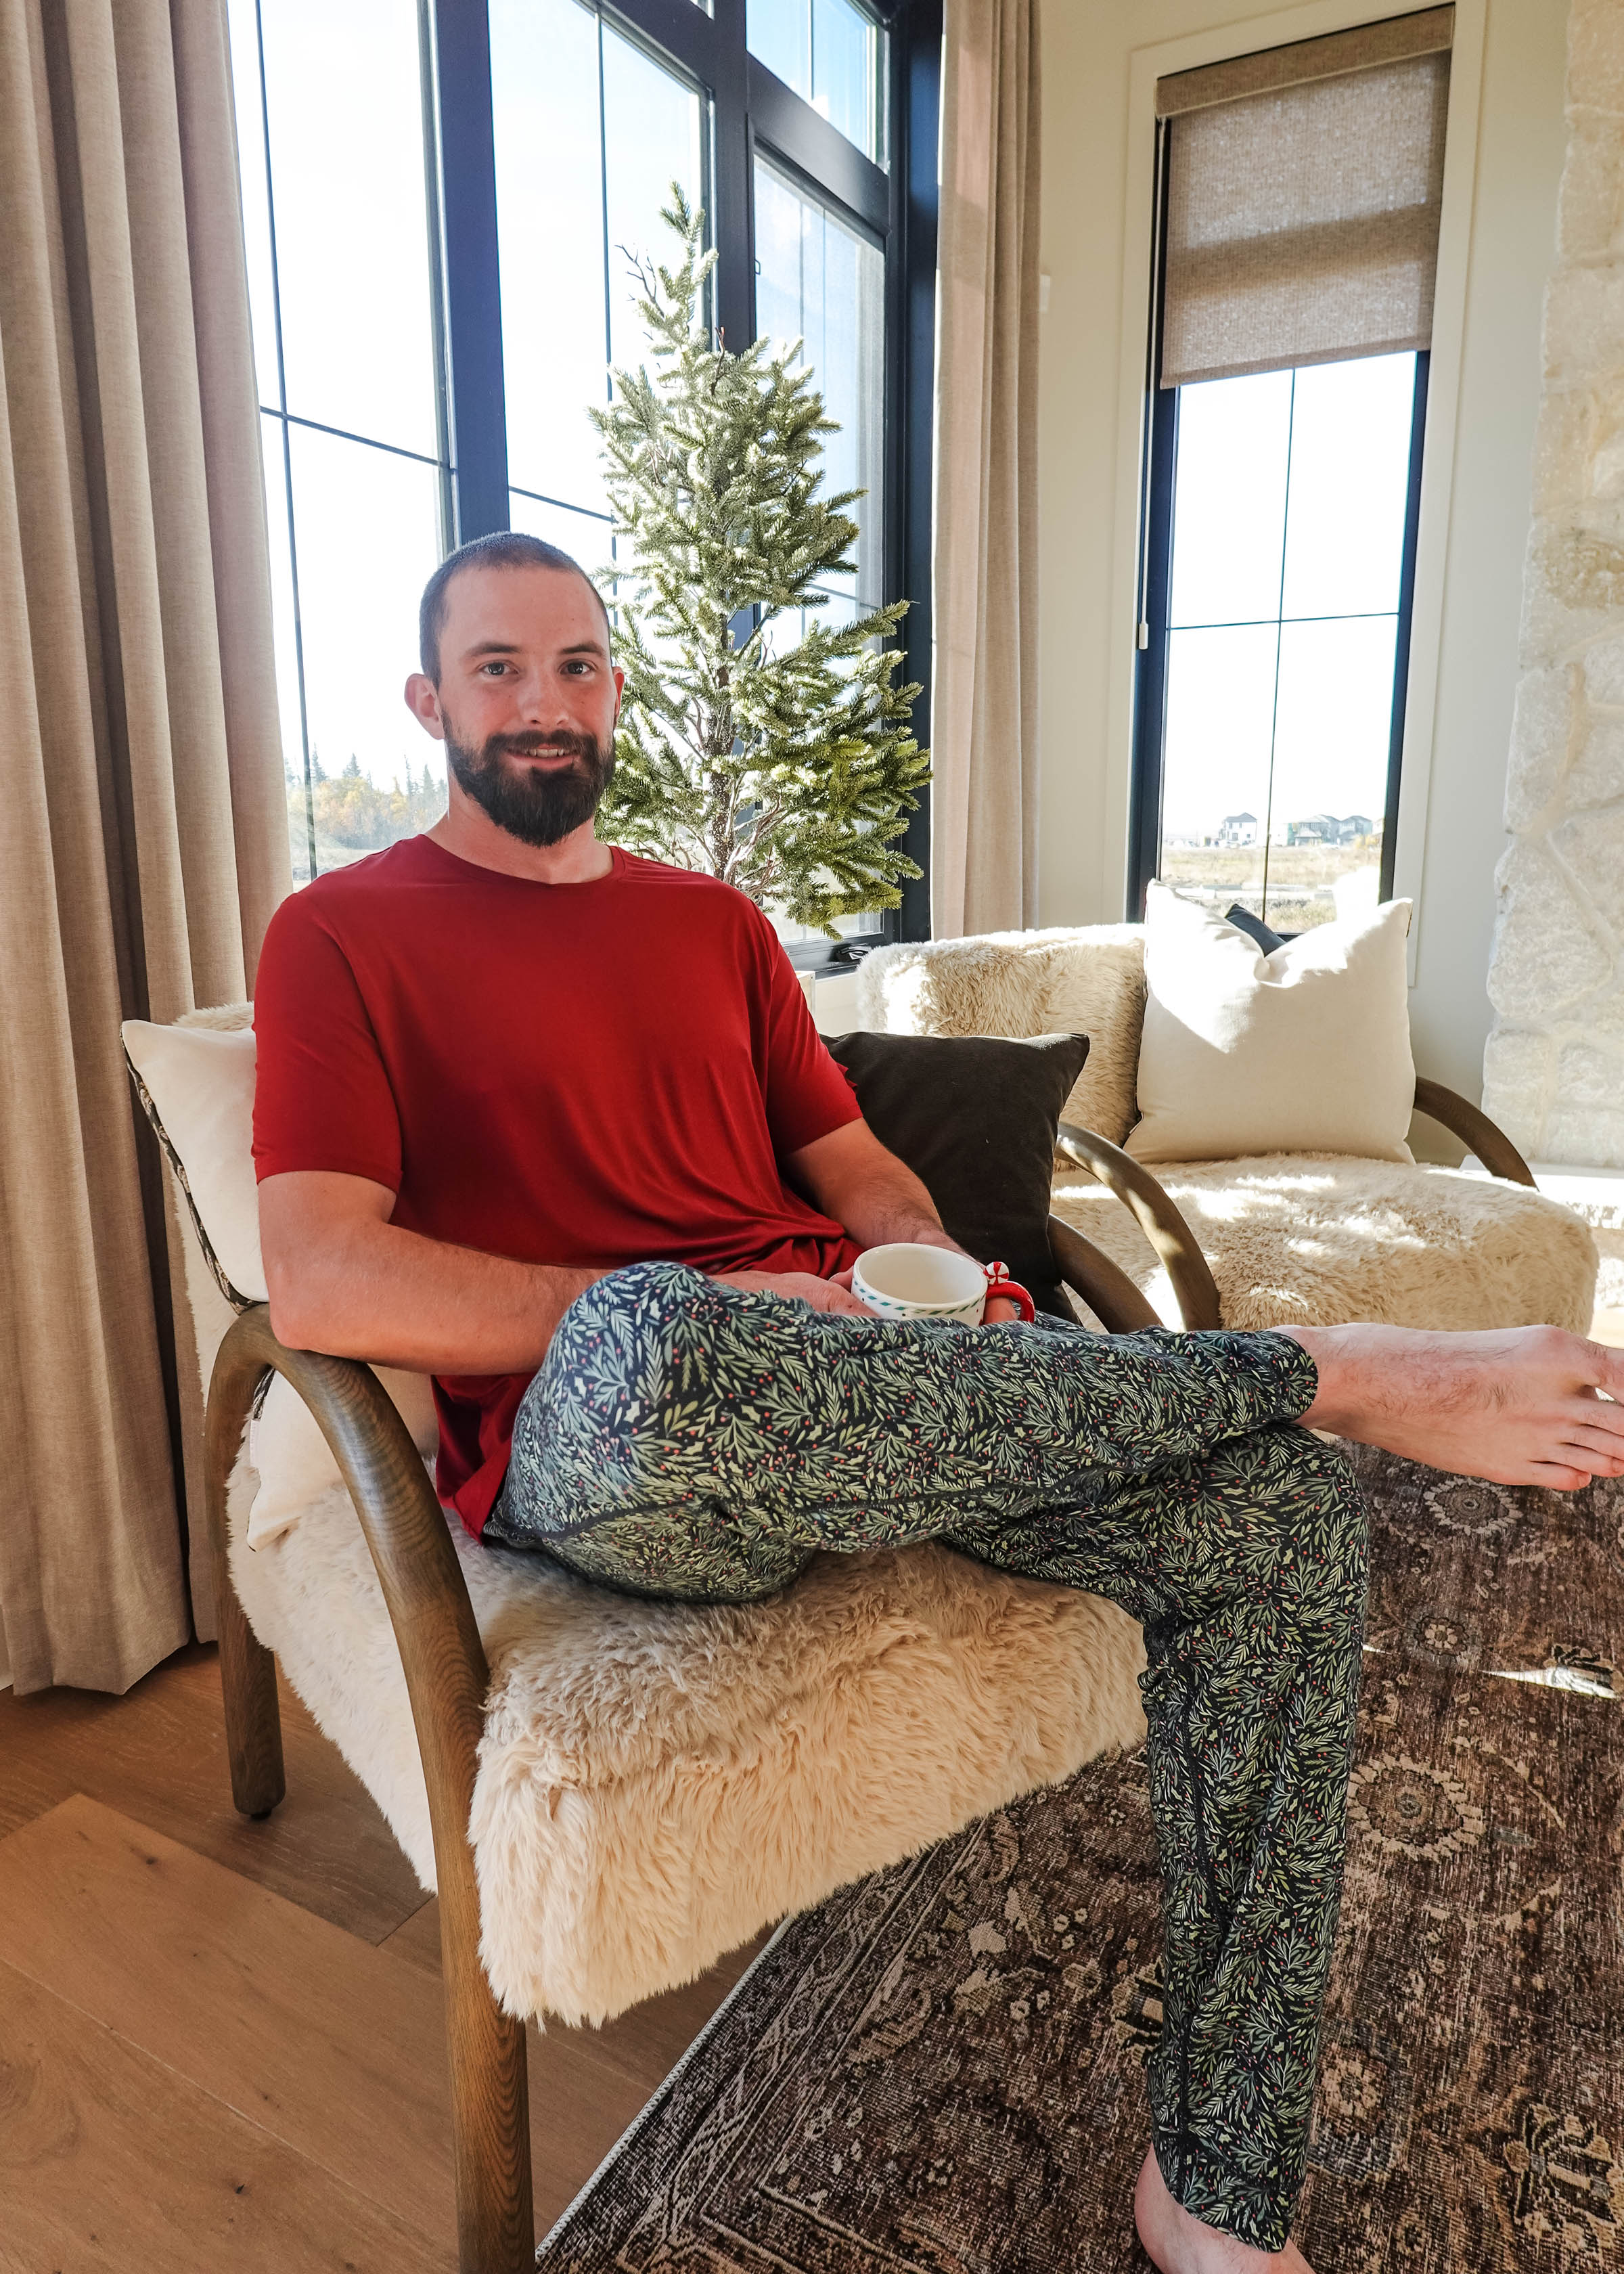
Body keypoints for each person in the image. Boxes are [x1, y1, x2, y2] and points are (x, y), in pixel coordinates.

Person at [253, 533, 1624, 2274]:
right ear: (429, 701)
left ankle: (1217, 2191)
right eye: (502, 670)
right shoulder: (341, 934)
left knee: (1279, 1518)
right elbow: (322, 1281)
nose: (545, 704)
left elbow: (859, 1168)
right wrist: (696, 1302)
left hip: (880, 1379)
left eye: (578, 665)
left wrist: (939, 1274)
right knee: (670, 1336)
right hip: (617, 1421)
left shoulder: (713, 924)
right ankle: (1329, 1369)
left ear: (615, 692)